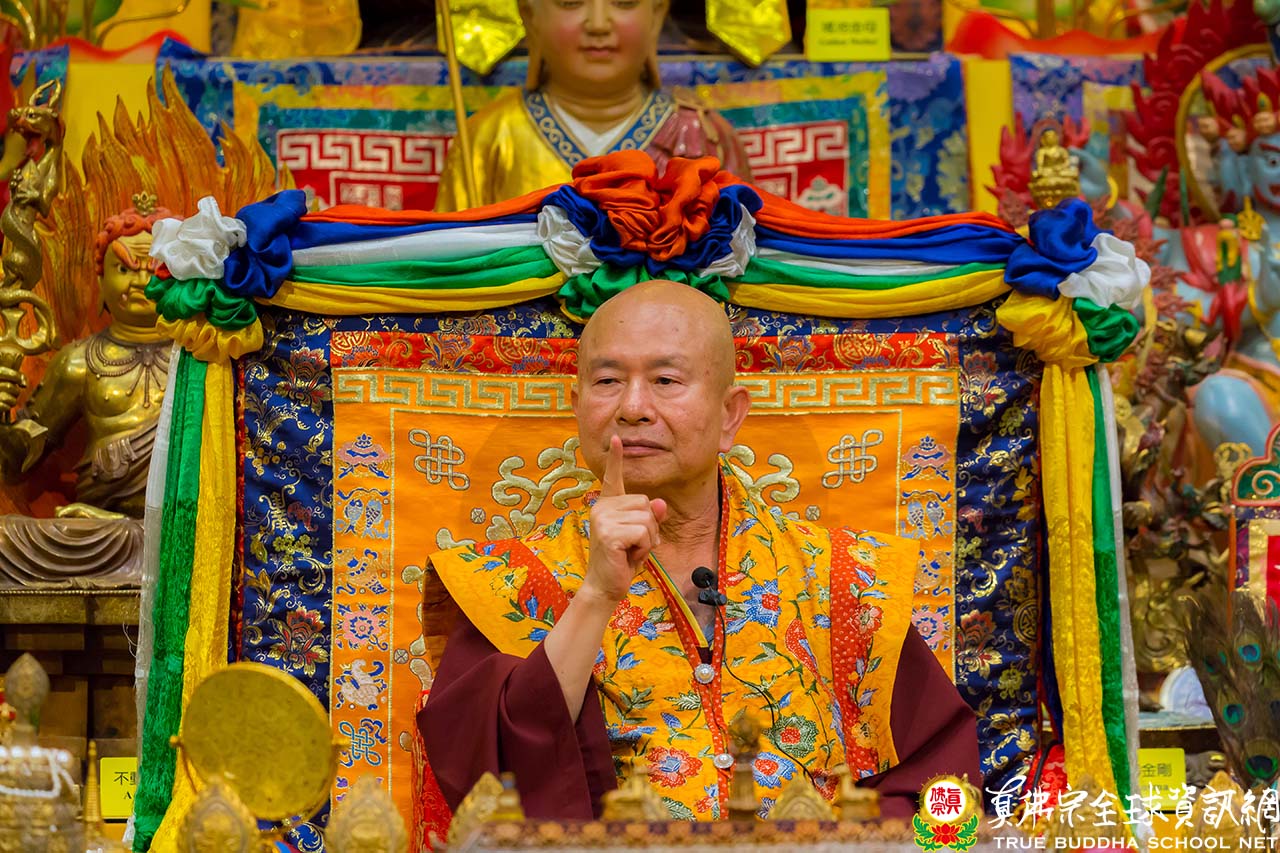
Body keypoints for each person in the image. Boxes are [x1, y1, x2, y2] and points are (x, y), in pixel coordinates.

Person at [418, 280, 980, 822]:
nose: (632, 407)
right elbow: (484, 786)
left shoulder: (841, 577)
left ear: (730, 414)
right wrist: (595, 596)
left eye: (665, 380)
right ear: (577, 404)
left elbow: (941, 783)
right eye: (608, 381)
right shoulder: (502, 584)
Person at [434, 0, 750, 211]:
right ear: (530, 15)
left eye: (623, 1)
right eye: (571, 2)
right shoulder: (488, 136)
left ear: (656, 15)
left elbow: (748, 260)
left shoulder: (704, 136)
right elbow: (451, 265)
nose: (598, 24)